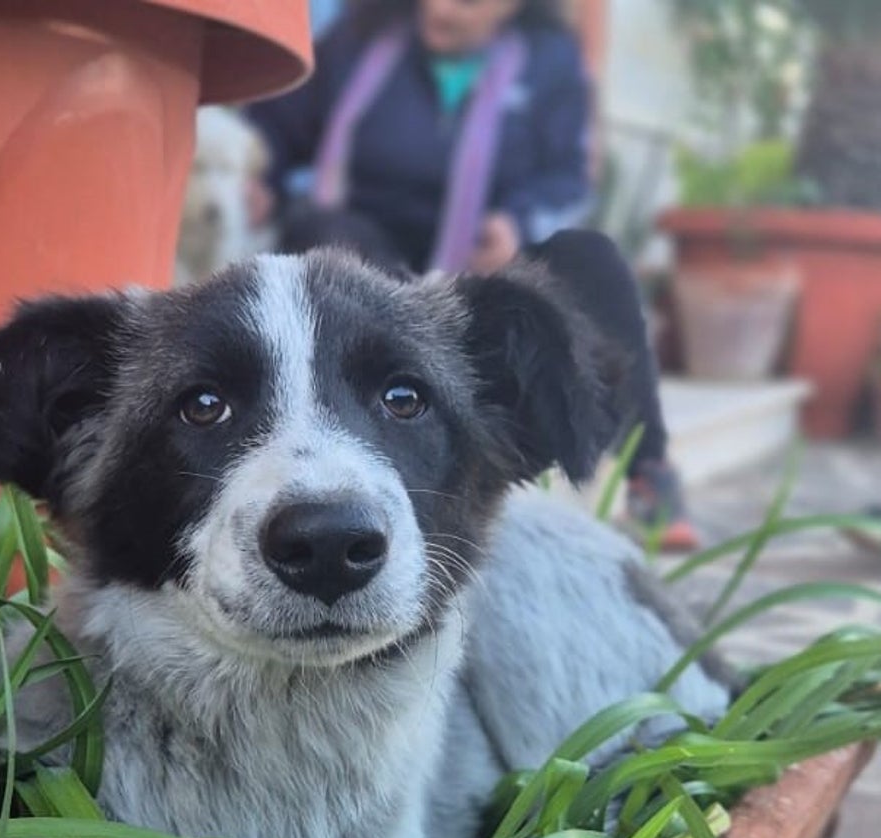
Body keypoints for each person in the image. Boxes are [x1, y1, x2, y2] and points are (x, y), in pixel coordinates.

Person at [247, 0, 699, 548]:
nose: (443, 8)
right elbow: (275, 129)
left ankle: (650, 473)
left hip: (482, 261)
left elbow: (569, 177)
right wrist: (258, 176)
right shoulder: (359, 39)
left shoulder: (549, 60)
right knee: (328, 233)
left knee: (592, 256)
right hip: (365, 256)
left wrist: (517, 223)